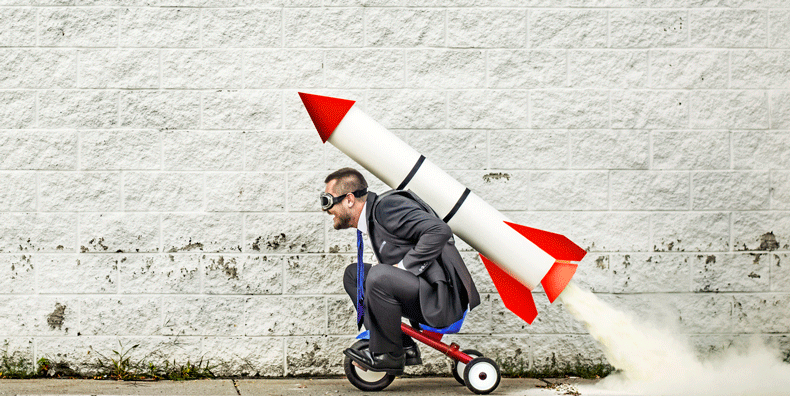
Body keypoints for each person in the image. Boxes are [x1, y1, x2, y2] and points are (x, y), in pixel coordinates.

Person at [321, 168, 480, 375]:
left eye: (328, 201)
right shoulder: (373, 219)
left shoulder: (387, 207)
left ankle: (388, 355)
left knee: (379, 276)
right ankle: (402, 346)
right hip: (422, 293)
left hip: (441, 299)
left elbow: (439, 231)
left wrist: (404, 266)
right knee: (355, 275)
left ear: (349, 199)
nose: (326, 209)